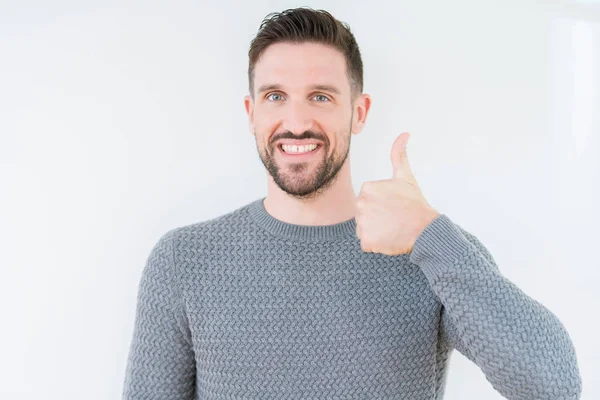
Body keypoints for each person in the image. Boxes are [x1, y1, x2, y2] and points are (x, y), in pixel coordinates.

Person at [122, 7, 582, 399]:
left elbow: (554, 386)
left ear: (357, 113)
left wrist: (429, 235)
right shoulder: (183, 261)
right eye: (275, 96)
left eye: (320, 97)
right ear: (252, 113)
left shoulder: (432, 252)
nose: (296, 121)